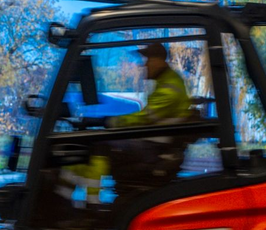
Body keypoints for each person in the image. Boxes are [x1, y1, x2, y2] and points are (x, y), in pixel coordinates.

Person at [58, 41, 193, 210]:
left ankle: (91, 206)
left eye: (147, 59)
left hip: (153, 148)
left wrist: (108, 121)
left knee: (99, 146)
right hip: (151, 144)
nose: (144, 64)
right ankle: (64, 198)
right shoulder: (168, 82)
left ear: (158, 61)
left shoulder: (170, 87)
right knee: (92, 143)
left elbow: (144, 118)